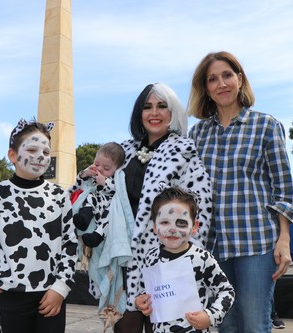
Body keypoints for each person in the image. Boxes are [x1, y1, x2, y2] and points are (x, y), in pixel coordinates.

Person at [187, 51, 293, 333]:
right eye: (212, 79)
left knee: (253, 324)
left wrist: (284, 239)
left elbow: (283, 190)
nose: (221, 83)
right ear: (206, 89)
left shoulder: (266, 126)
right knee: (225, 325)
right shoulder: (197, 134)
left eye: (227, 75)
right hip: (213, 246)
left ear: (239, 79)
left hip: (257, 244)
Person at [0, 119, 77, 333]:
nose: (40, 156)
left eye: (46, 151)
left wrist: (61, 288)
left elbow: (70, 243)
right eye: (31, 149)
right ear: (12, 155)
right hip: (10, 296)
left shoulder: (59, 196)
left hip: (51, 295)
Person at [114, 83, 214, 333]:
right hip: (123, 260)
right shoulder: (122, 151)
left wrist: (185, 258)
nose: (154, 113)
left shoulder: (183, 150)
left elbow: (200, 206)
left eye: (162, 106)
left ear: (173, 113)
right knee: (125, 327)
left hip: (167, 261)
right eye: (147, 107)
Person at [135, 186, 235, 333]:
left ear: (194, 227)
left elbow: (226, 291)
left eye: (181, 222)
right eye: (164, 222)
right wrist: (140, 302)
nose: (172, 229)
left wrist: (211, 315)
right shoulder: (151, 257)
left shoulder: (202, 258)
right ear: (155, 227)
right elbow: (145, 289)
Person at [70, 141, 125, 248]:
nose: (99, 169)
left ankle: (98, 235)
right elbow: (78, 184)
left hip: (108, 206)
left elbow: (118, 189)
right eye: (97, 164)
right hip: (94, 202)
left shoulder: (118, 178)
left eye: (106, 168)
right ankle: (83, 218)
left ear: (117, 170)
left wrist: (104, 182)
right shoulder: (92, 172)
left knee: (109, 217)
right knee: (90, 197)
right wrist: (85, 174)